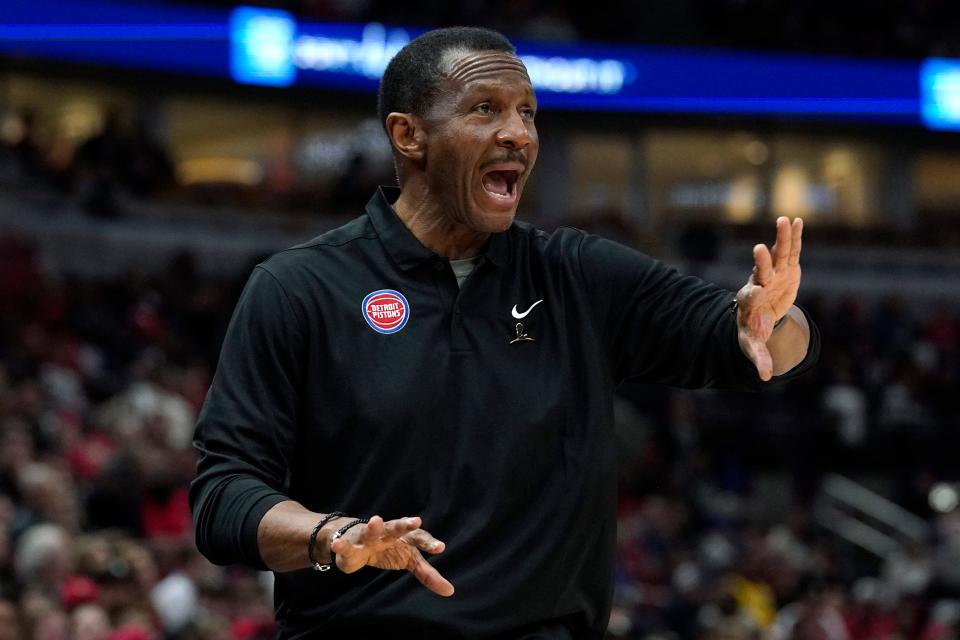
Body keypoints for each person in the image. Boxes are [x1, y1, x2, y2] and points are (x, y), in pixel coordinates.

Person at [190, 27, 819, 639]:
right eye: (485, 109)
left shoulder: (578, 274)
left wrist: (768, 320)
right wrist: (331, 538)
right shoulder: (299, 287)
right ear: (409, 136)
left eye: (528, 112)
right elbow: (223, 497)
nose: (517, 133)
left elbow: (760, 346)